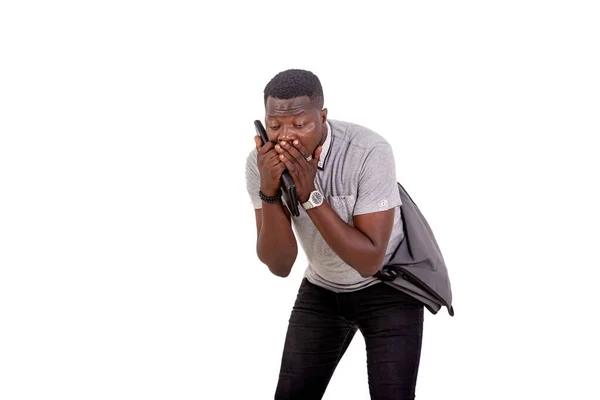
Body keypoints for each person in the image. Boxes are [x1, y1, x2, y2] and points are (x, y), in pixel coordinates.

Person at [245, 69, 425, 400]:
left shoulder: (368, 150)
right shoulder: (261, 164)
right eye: (275, 126)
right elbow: (280, 264)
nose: (287, 137)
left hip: (388, 287)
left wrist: (311, 195)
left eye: (301, 125)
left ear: (323, 117)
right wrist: (270, 191)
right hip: (323, 288)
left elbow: (369, 260)